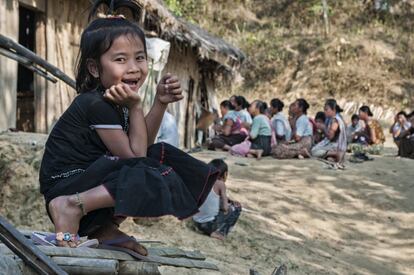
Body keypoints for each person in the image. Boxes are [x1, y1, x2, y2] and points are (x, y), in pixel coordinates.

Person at [39, 1, 219, 255]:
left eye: (140, 58)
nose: (134, 68)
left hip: (89, 184)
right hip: (67, 186)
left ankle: (102, 228)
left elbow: (142, 147)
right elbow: (136, 160)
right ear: (94, 68)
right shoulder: (95, 103)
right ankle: (72, 207)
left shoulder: (116, 101)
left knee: (162, 157)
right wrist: (136, 108)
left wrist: (159, 103)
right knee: (148, 169)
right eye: (120, 59)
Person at [193, 159, 242, 241]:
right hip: (209, 225)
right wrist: (227, 202)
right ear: (225, 174)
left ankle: (207, 230)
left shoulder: (202, 179)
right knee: (236, 207)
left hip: (197, 222)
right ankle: (221, 233)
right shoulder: (220, 184)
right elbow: (225, 208)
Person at [311, 99, 347, 164]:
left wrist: (324, 128)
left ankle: (336, 153)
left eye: (326, 109)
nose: (325, 111)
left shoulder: (335, 120)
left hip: (335, 145)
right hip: (334, 145)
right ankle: (332, 156)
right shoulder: (333, 119)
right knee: (316, 149)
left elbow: (330, 136)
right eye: (324, 109)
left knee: (314, 151)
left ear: (333, 110)